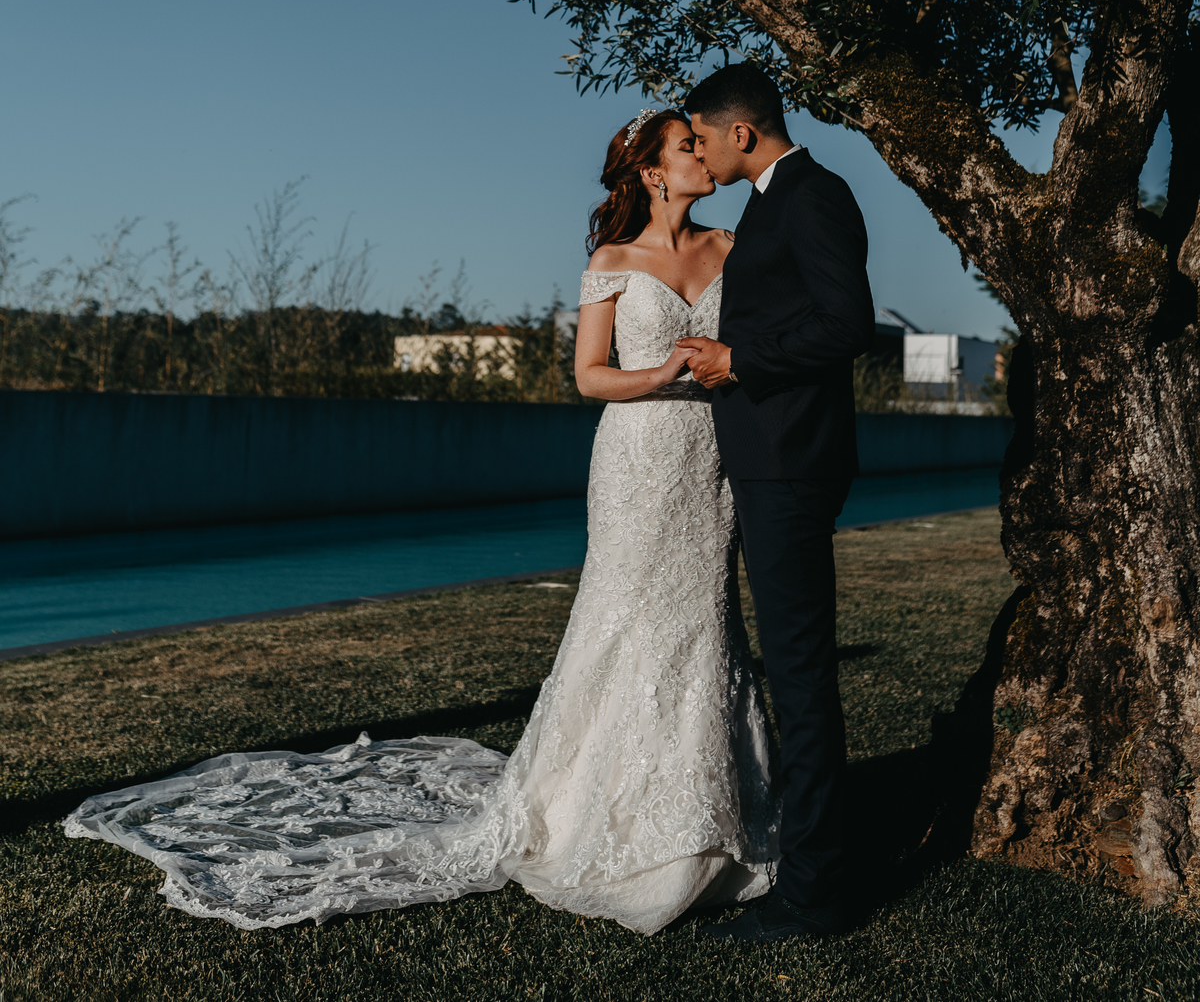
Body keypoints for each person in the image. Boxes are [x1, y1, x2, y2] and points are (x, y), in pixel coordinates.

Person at [64, 109, 776, 936]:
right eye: (688, 146)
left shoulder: (732, 249)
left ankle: (712, 820)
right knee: (623, 617)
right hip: (638, 457)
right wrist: (658, 371)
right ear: (653, 173)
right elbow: (587, 377)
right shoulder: (612, 261)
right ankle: (605, 818)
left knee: (703, 618)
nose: (702, 154)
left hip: (710, 459)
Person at [677, 63, 875, 945]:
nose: (699, 150)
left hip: (791, 464)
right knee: (793, 676)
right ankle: (812, 870)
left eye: (703, 137)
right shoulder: (769, 199)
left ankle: (815, 896)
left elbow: (847, 323)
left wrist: (739, 362)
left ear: (742, 133)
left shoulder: (812, 196)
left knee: (800, 680)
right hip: (771, 462)